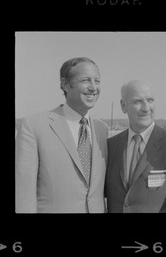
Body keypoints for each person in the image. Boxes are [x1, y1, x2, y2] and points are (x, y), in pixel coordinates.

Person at [15, 57, 108, 213]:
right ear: (65, 84)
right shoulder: (33, 127)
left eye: (97, 81)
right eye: (86, 80)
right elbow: (24, 196)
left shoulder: (102, 129)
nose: (93, 87)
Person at [105, 80, 166, 213]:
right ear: (123, 105)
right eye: (138, 101)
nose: (146, 108)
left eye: (150, 100)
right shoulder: (110, 146)